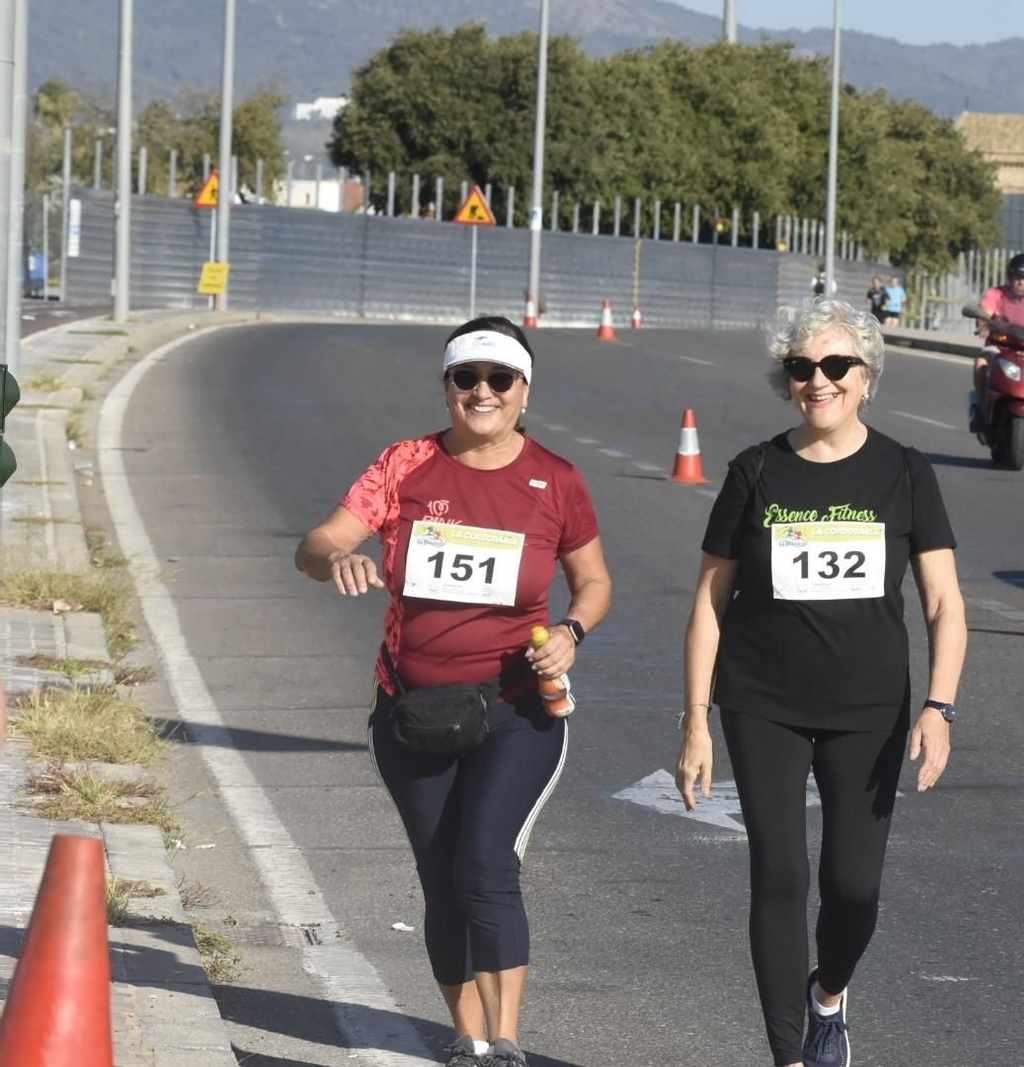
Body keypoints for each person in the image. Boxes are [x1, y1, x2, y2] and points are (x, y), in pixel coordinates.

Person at [294, 316, 614, 1067]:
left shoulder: (557, 479)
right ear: (446, 387)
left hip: (517, 707)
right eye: (466, 377)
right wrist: (337, 557)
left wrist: (572, 631)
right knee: (441, 877)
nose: (482, 392)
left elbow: (594, 581)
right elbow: (316, 543)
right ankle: (468, 1040)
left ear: (524, 391)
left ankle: (507, 1043)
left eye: (500, 378)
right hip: (414, 709)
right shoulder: (405, 465)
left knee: (486, 862)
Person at [677, 299, 966, 1067]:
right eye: (802, 367)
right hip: (760, 699)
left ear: (866, 376)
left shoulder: (905, 471)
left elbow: (944, 601)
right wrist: (696, 720)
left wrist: (939, 706)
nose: (818, 380)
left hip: (869, 706)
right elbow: (709, 603)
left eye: (837, 365)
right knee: (779, 872)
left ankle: (828, 994)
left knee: (853, 887)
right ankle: (790, 1056)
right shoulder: (754, 471)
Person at [970, 252, 1024, 430]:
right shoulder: (997, 293)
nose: (1021, 282)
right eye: (1017, 277)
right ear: (1010, 277)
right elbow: (985, 312)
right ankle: (982, 407)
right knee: (980, 364)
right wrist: (983, 324)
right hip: (999, 347)